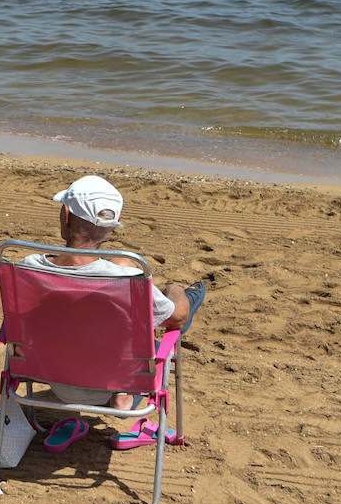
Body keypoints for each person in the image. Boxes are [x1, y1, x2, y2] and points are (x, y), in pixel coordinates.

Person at [17, 175, 205, 450]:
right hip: (110, 378)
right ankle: (123, 397)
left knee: (106, 290)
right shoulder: (125, 278)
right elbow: (177, 319)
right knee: (179, 308)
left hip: (51, 375)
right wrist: (174, 290)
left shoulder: (28, 268)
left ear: (65, 215)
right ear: (111, 227)